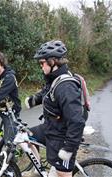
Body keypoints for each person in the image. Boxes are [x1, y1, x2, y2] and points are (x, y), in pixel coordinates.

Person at [25, 40, 86, 177]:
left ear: (53, 61)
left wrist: (68, 148)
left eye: (42, 63)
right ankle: (37, 168)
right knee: (24, 136)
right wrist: (35, 99)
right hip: (51, 127)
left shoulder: (66, 87)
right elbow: (48, 92)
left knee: (61, 174)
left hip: (62, 137)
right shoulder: (54, 78)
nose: (41, 66)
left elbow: (77, 121)